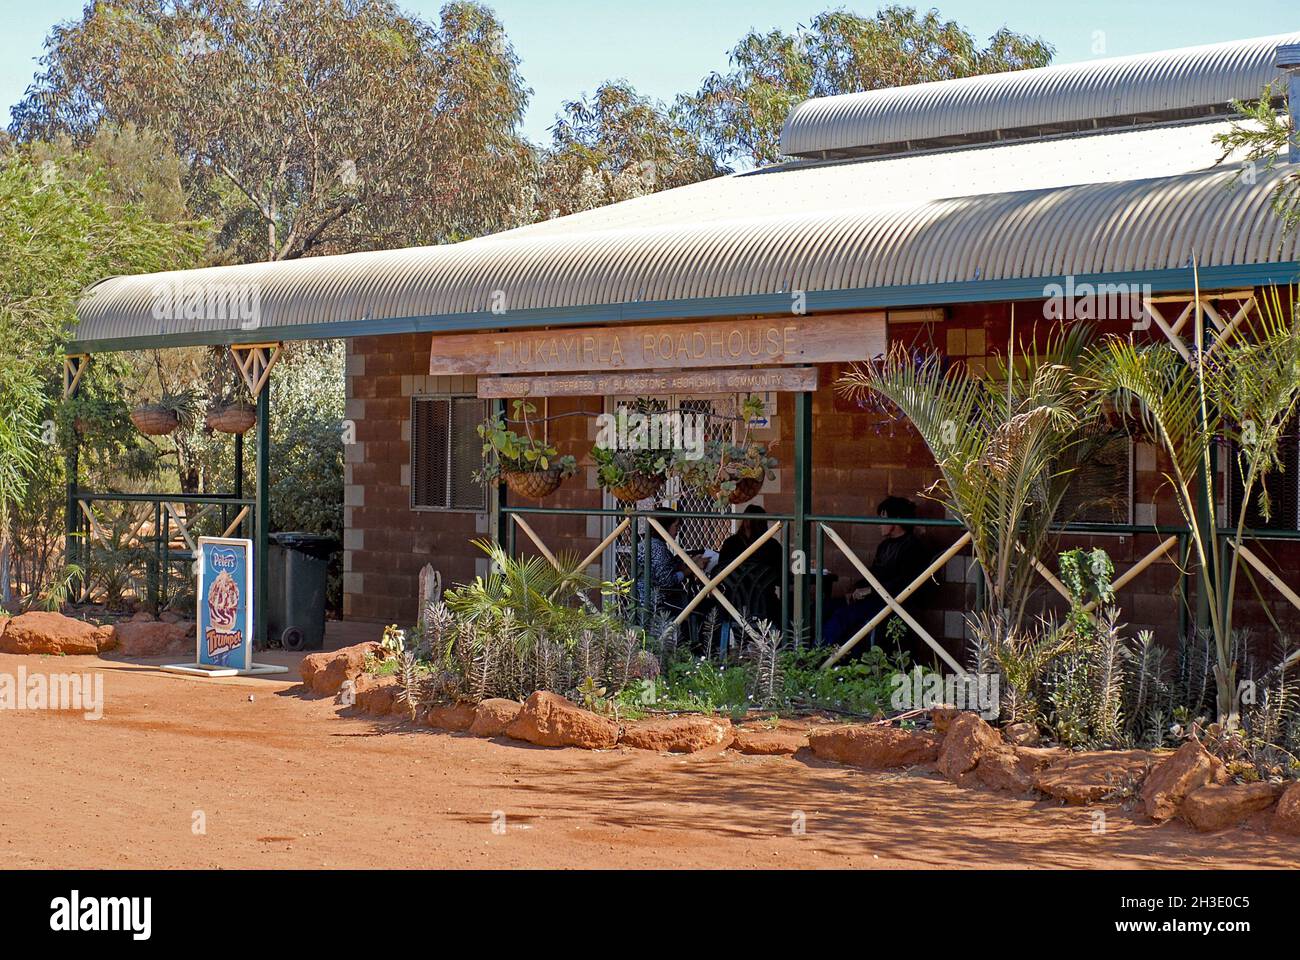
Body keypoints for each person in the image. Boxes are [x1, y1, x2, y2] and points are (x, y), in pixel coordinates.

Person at [821, 496, 934, 654]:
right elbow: (874, 573)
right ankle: (812, 652)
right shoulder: (885, 546)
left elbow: (904, 583)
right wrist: (854, 589)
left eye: (883, 518)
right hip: (872, 598)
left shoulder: (913, 547)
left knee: (842, 616)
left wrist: (870, 591)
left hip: (888, 604)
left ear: (896, 520)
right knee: (824, 607)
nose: (879, 524)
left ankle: (822, 656)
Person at [715, 504, 783, 624]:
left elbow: (720, 576)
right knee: (789, 610)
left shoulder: (730, 544)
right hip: (766, 604)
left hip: (732, 605)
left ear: (745, 522)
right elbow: (780, 578)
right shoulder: (772, 546)